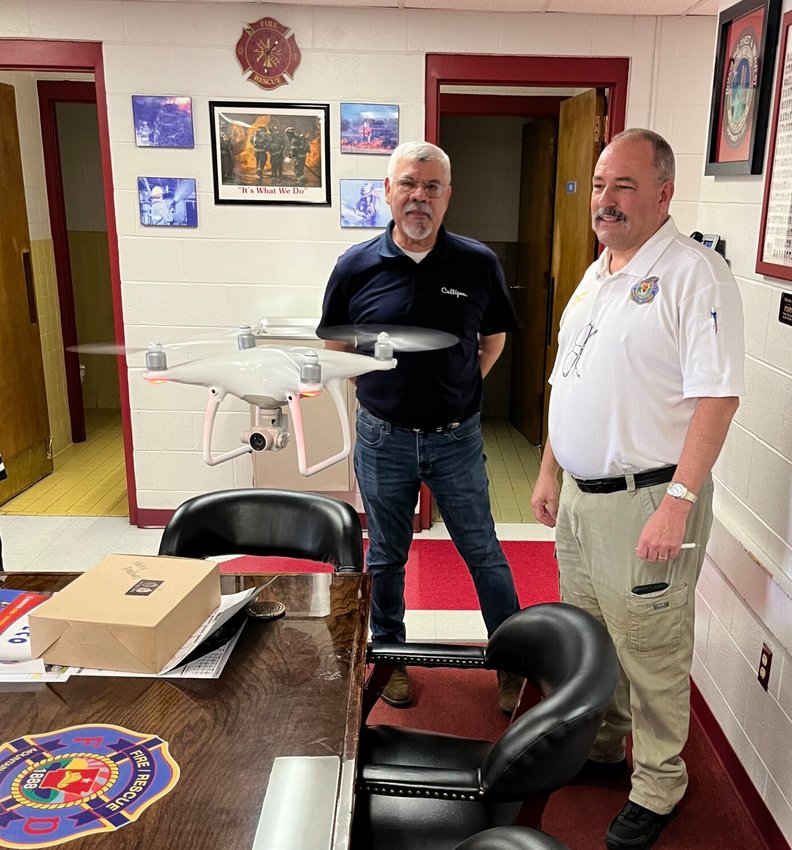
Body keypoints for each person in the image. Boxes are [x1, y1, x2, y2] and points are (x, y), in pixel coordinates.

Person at [530, 129, 744, 850]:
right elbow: (569, 376)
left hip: (650, 500)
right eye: (598, 185)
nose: (605, 200)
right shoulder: (599, 272)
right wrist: (550, 468)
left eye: (623, 186)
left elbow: (717, 399)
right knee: (594, 638)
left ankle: (658, 784)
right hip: (585, 501)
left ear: (663, 193)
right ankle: (605, 747)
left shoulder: (695, 274)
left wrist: (679, 503)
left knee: (650, 647)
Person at [317, 141, 522, 713]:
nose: (419, 197)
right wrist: (379, 391)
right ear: (387, 191)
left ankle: (510, 661)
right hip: (383, 438)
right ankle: (389, 654)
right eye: (408, 184)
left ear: (447, 196)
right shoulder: (355, 266)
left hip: (456, 439)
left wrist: (465, 386)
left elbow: (494, 338)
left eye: (432, 187)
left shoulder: (478, 263)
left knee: (482, 549)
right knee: (386, 554)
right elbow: (336, 346)